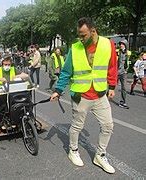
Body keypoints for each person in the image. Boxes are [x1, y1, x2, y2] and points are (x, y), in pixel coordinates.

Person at [50, 17, 117, 174]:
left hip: (100, 94)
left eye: (83, 35)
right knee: (77, 126)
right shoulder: (75, 48)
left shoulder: (108, 45)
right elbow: (66, 72)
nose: (80, 38)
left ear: (93, 31)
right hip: (81, 96)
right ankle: (73, 150)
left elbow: (112, 66)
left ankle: (100, 155)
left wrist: (112, 86)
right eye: (79, 35)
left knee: (108, 126)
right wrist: (58, 90)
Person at [0, 55, 29, 133]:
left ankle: (22, 119)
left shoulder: (13, 69)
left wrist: (17, 76)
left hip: (12, 92)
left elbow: (26, 76)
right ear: (2, 64)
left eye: (9, 64)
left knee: (25, 100)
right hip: (1, 93)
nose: (7, 66)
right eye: (5, 65)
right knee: (2, 105)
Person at [117, 39, 129, 109]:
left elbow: (129, 62)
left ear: (125, 45)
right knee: (110, 85)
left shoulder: (128, 53)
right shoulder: (117, 52)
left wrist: (126, 70)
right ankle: (104, 101)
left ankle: (122, 102)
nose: (121, 45)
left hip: (123, 73)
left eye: (122, 44)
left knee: (124, 87)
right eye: (120, 44)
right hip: (116, 71)